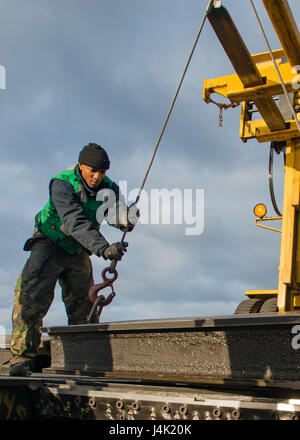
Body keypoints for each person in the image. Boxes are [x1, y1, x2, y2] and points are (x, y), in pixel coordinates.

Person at [9, 143, 138, 376]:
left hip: (78, 249)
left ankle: (84, 361)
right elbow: (73, 221)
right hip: (49, 244)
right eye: (92, 171)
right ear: (81, 166)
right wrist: (104, 248)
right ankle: (22, 360)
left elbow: (114, 214)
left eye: (102, 172)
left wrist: (127, 218)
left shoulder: (109, 188)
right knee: (31, 300)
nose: (97, 177)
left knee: (85, 306)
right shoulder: (62, 183)